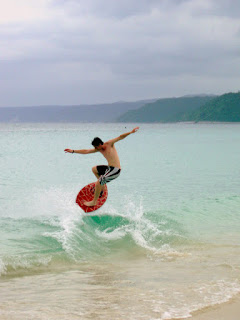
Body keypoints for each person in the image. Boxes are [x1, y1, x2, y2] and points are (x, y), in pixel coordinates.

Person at [64, 127, 139, 207]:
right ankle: (102, 186)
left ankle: (94, 201)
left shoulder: (109, 144)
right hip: (109, 168)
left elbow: (120, 137)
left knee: (99, 182)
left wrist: (130, 132)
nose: (95, 149)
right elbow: (86, 151)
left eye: (96, 147)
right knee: (94, 169)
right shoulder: (99, 149)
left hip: (115, 170)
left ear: (100, 144)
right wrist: (73, 151)